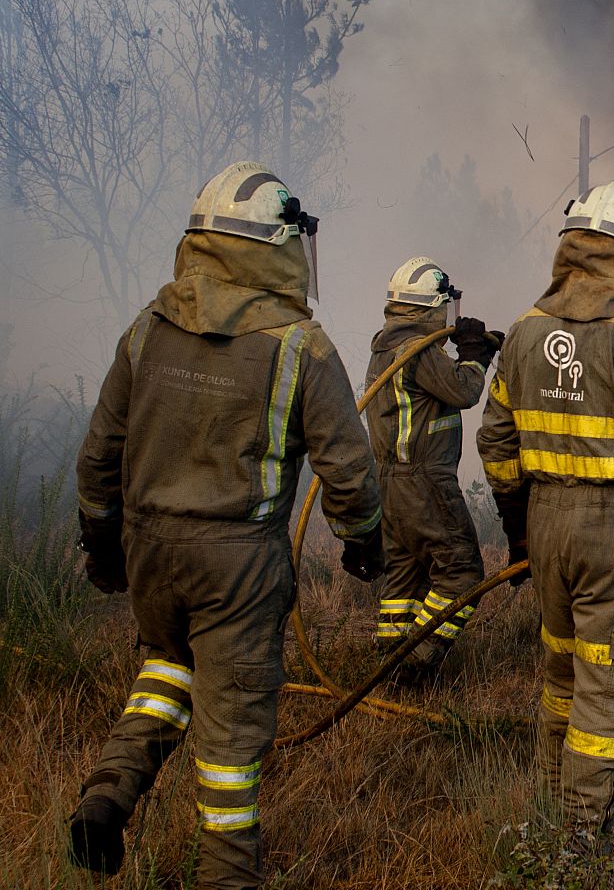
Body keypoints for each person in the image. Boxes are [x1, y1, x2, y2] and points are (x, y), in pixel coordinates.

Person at [68, 162, 383, 888]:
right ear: (278, 245)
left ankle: (108, 794)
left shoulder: (149, 326)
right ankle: (226, 874)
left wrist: (101, 540)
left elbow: (99, 451)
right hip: (237, 566)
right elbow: (349, 468)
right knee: (232, 740)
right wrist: (363, 538)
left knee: (165, 669)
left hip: (151, 552)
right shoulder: (302, 344)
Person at [477, 180, 614, 827]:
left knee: (562, 674)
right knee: (610, 687)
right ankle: (578, 837)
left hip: (547, 524)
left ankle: (551, 812)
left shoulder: (526, 331)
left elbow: (494, 440)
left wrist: (518, 524)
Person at [365, 257, 503, 681]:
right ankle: (418, 660)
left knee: (404, 576)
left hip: (391, 483)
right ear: (433, 307)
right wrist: (475, 356)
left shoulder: (386, 348)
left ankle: (389, 664)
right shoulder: (418, 351)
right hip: (424, 480)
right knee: (461, 571)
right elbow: (462, 390)